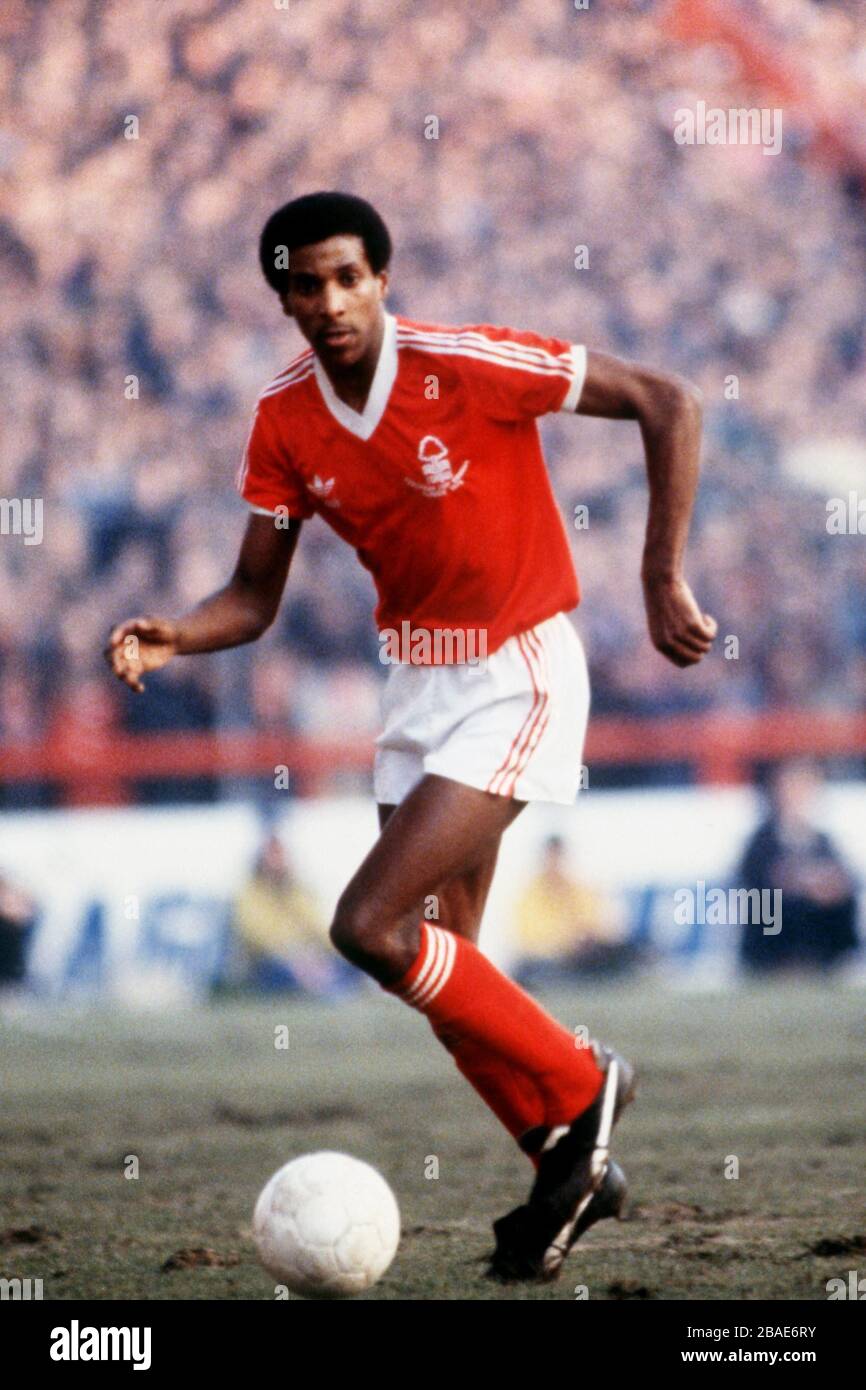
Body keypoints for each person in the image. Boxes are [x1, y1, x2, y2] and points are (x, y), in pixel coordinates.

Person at [105, 191, 716, 1283]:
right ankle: (566, 1161)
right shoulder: (283, 418)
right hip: (415, 684)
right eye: (306, 284)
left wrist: (659, 574)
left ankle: (586, 1083)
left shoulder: (466, 362)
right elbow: (253, 595)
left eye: (349, 278)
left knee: (367, 926)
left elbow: (666, 400)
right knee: (441, 971)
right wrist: (177, 635)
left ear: (382, 278)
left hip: (516, 669)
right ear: (282, 295)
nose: (330, 301)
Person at [738, 761, 859, 975]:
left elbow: (844, 878)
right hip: (775, 932)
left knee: (840, 899)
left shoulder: (822, 839)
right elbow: (760, 878)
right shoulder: (762, 839)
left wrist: (829, 886)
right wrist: (803, 883)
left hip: (816, 923)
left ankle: (833, 959)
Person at [232, 832, 351, 996]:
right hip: (269, 961)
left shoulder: (297, 890)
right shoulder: (250, 893)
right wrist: (294, 954)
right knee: (287, 970)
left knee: (345, 961)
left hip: (309, 955)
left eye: (280, 855)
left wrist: (336, 950)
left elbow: (317, 925)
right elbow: (256, 935)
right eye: (273, 855)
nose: (277, 861)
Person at [514, 835, 634, 986]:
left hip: (580, 955)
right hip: (551, 959)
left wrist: (583, 937)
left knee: (614, 952)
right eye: (551, 858)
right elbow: (531, 939)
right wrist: (568, 940)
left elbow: (595, 923)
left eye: (558, 857)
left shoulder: (578, 888)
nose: (555, 864)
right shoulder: (530, 894)